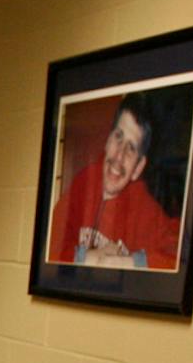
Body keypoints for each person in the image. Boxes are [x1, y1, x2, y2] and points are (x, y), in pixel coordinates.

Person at [45, 94, 182, 270]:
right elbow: (49, 248)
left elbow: (180, 254)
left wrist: (128, 262)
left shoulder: (144, 208)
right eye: (118, 136)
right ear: (108, 140)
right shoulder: (83, 183)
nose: (119, 155)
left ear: (138, 167)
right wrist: (86, 258)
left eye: (131, 148)